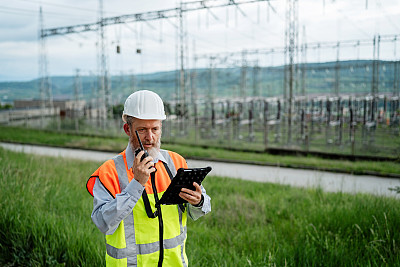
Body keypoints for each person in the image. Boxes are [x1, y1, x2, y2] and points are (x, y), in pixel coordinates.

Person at [86, 90, 211, 267]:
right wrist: (136, 184)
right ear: (127, 129)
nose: (150, 138)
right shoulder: (109, 172)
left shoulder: (176, 163)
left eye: (155, 129)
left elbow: (202, 209)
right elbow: (102, 223)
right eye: (142, 130)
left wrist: (198, 201)